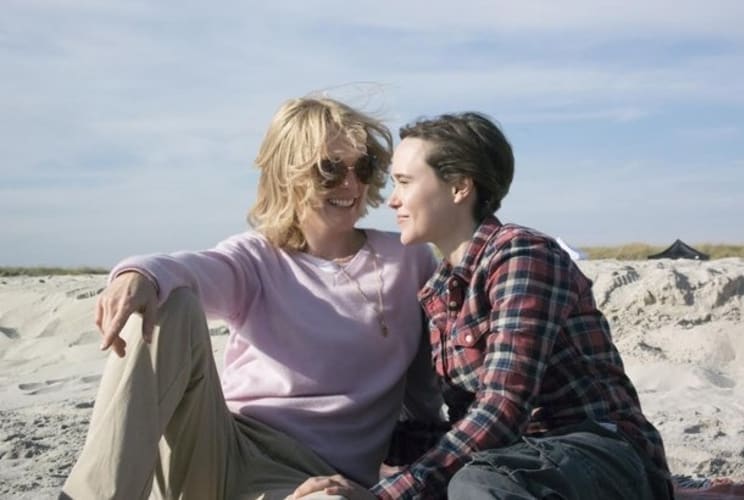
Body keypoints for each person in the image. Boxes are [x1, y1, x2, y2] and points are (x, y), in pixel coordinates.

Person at [61, 96, 443, 500]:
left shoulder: (408, 258)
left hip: (317, 480)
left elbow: (428, 390)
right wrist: (138, 273)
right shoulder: (258, 257)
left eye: (361, 167)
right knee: (164, 299)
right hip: (222, 449)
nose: (350, 184)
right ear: (288, 174)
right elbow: (194, 269)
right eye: (330, 169)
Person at [294, 112, 673, 499]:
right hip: (515, 457)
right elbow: (466, 422)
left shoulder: (521, 255)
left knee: (476, 483)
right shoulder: (440, 287)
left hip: (600, 450)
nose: (392, 200)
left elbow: (503, 407)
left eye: (405, 183)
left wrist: (383, 497)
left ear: (459, 187)